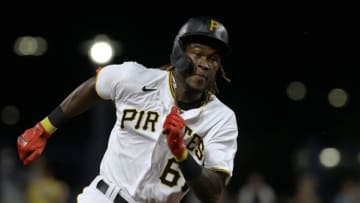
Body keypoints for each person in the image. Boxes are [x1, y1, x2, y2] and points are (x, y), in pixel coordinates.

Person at [16, 16, 238, 203]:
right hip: (104, 197)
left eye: (213, 59)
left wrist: (182, 153)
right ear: (179, 53)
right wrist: (45, 127)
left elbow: (213, 193)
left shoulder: (221, 119)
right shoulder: (136, 78)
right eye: (198, 54)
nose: (205, 64)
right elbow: (96, 86)